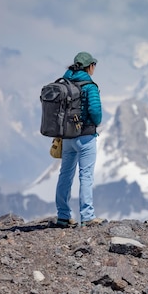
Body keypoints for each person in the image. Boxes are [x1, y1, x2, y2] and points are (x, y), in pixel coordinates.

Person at [54, 52, 105, 228]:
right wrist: (95, 123)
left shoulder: (64, 82)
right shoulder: (90, 86)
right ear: (89, 66)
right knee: (86, 176)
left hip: (67, 137)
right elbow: (96, 113)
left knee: (65, 175)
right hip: (86, 137)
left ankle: (62, 216)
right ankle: (87, 216)